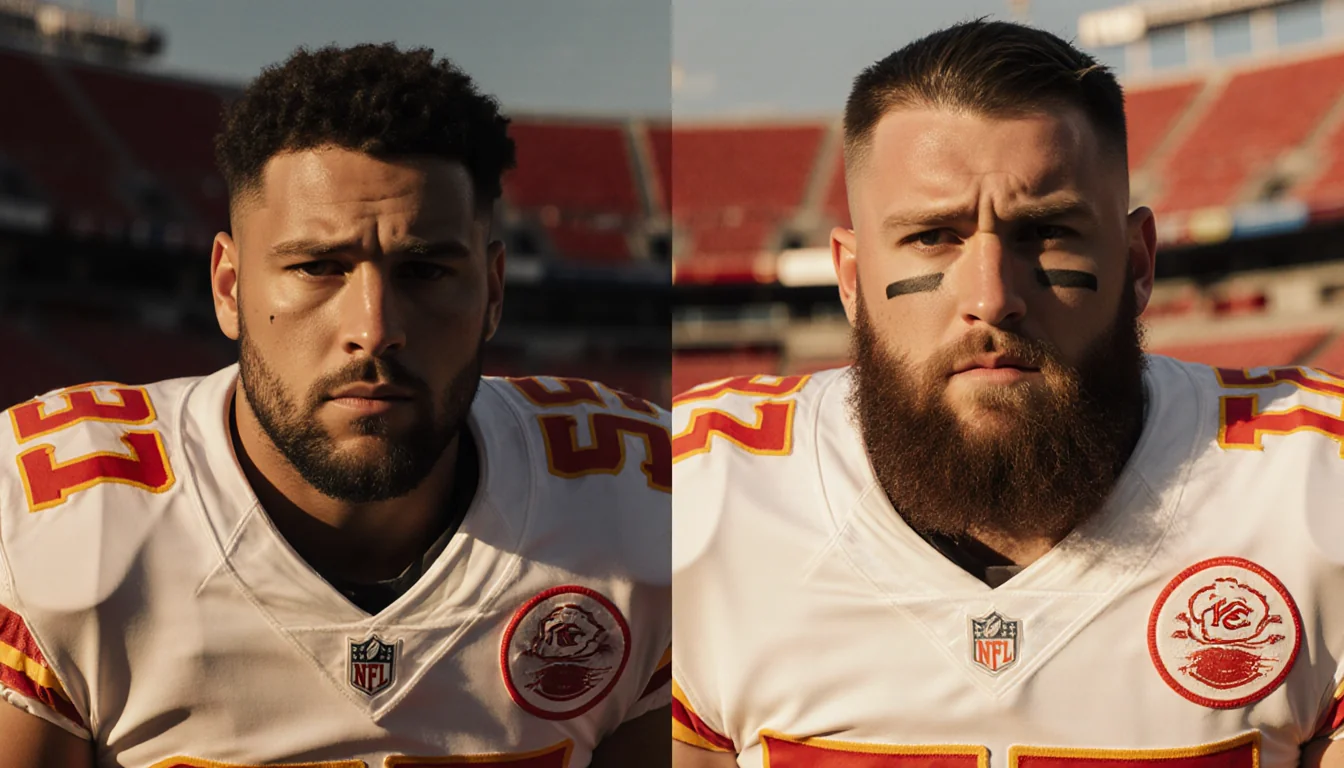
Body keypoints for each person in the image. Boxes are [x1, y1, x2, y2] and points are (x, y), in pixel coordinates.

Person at [671, 20, 1344, 768]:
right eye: (933, 237)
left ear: (1138, 262)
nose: (992, 299)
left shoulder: (1316, 489)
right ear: (852, 281)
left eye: (1046, 232)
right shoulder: (699, 501)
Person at [0, 43, 671, 768]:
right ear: (229, 287)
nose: (373, 330)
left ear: (494, 292)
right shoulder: (52, 517)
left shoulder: (644, 506)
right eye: (317, 267)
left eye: (425, 269)